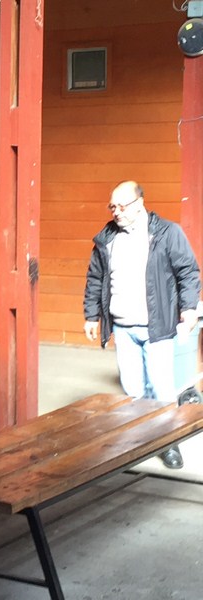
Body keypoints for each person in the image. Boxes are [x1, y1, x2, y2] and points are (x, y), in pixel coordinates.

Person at [84, 180, 201, 469]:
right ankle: (139, 441)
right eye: (112, 206)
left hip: (156, 327)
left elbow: (188, 271)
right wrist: (91, 315)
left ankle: (167, 443)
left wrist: (189, 309)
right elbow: (95, 278)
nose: (116, 212)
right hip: (123, 329)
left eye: (122, 206)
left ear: (139, 203)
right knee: (133, 391)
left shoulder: (167, 233)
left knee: (161, 390)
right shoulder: (106, 238)